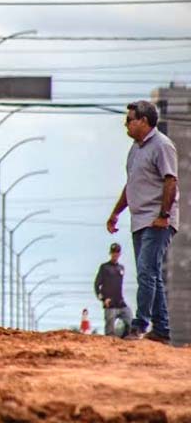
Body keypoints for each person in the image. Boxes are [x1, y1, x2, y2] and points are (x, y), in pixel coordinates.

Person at [106, 100, 180, 344]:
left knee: (147, 272)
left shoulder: (162, 145)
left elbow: (171, 180)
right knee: (151, 274)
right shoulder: (135, 150)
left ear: (144, 121)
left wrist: (164, 216)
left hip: (157, 221)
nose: (125, 124)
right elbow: (131, 185)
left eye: (129, 120)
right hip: (139, 220)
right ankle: (161, 329)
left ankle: (139, 325)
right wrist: (116, 213)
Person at [93, 243, 133, 337]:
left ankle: (125, 339)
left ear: (119, 254)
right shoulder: (104, 267)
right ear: (110, 253)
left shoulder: (121, 268)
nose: (115, 254)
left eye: (117, 252)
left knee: (130, 321)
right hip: (110, 304)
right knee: (110, 332)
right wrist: (103, 299)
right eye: (113, 252)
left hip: (120, 302)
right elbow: (97, 285)